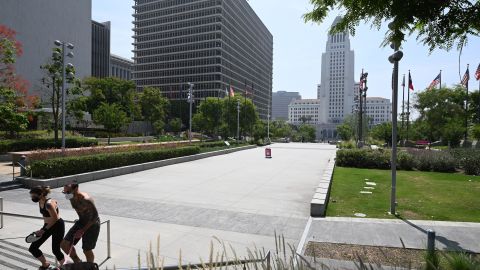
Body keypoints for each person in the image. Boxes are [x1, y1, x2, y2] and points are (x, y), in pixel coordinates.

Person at [61, 182, 100, 263]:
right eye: (64, 192)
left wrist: (82, 230)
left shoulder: (86, 199)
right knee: (64, 244)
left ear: (75, 189)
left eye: (68, 192)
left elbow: (95, 216)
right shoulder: (71, 197)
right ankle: (78, 263)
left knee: (86, 250)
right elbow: (78, 209)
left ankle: (90, 267)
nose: (66, 195)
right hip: (81, 222)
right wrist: (79, 222)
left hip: (92, 224)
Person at [29, 186, 65, 269]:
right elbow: (48, 216)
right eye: (31, 196)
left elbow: (55, 218)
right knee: (33, 248)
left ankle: (65, 266)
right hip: (48, 226)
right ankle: (45, 264)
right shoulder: (40, 201)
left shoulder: (48, 204)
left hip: (57, 226)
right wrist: (43, 229)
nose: (32, 198)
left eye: (34, 196)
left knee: (55, 250)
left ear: (41, 194)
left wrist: (43, 230)